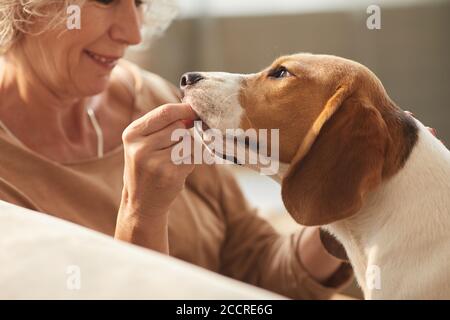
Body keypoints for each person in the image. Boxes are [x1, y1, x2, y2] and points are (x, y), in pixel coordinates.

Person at [1, 0, 366, 299]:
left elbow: (255, 268)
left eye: (140, 2)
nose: (133, 33)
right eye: (106, 1)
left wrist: (343, 202)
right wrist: (142, 214)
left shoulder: (154, 97)